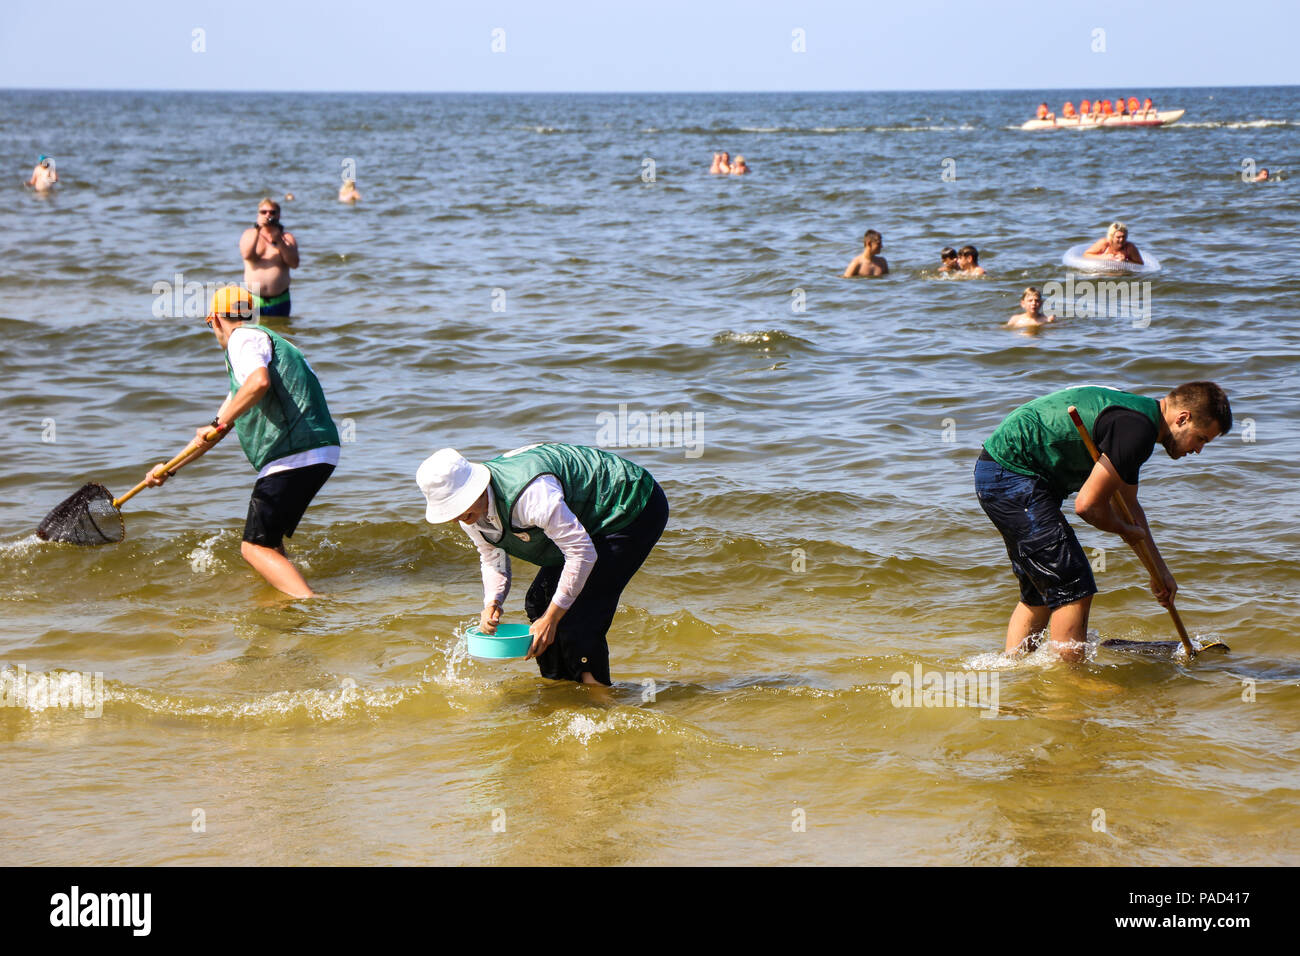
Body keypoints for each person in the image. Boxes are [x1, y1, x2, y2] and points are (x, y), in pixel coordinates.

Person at [975, 382, 1232, 661]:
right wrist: (1123, 529)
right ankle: (1072, 683)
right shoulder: (1137, 429)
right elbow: (1087, 506)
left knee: (1042, 592)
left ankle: (1014, 669)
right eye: (1202, 439)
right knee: (1073, 584)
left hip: (1001, 471)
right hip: (1012, 473)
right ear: (1183, 418)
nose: (1198, 450)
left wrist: (1160, 572)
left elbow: (1128, 508)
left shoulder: (1138, 420)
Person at [416, 443, 669, 686]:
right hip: (583, 515)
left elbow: (581, 553)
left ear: (478, 488)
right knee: (538, 601)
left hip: (628, 504)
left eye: (461, 508)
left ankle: (600, 700)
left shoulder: (533, 496)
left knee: (577, 619)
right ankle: (558, 686)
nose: (459, 518)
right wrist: (492, 603)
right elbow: (491, 556)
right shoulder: (468, 515)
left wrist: (552, 618)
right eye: (452, 512)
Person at [144, 285, 340, 598]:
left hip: (297, 453)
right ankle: (284, 604)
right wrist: (169, 468)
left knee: (253, 547)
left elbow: (257, 384)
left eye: (211, 326)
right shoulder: (258, 355)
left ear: (215, 320)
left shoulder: (243, 338)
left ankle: (313, 604)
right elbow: (213, 431)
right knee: (270, 544)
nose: (215, 332)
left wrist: (218, 423)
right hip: (319, 451)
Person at [239, 198, 298, 317]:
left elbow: (294, 263)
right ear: (258, 215)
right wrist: (258, 229)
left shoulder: (287, 238)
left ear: (279, 215)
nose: (268, 215)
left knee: (281, 333)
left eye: (272, 212)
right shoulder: (249, 234)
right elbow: (247, 255)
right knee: (252, 334)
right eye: (264, 212)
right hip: (253, 299)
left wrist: (279, 241)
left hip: (280, 300)